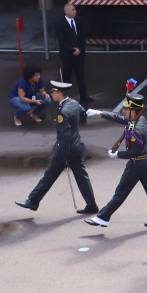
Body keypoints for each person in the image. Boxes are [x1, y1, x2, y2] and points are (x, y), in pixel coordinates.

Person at [83, 88, 147, 228]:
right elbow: (120, 119)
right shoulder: (139, 119)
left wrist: (117, 155)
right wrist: (100, 113)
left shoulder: (136, 131)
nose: (124, 111)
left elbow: (134, 152)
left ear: (133, 111)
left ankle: (103, 217)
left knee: (121, 192)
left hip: (137, 163)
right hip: (145, 161)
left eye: (126, 109)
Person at [15, 80, 98, 214]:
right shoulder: (74, 103)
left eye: (53, 92)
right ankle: (92, 205)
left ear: (60, 94)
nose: (51, 94)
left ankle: (33, 201)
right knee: (82, 178)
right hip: (77, 147)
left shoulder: (62, 112)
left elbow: (64, 137)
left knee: (48, 177)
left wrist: (64, 157)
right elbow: (82, 114)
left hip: (64, 151)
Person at [55, 2, 92, 102]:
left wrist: (80, 49)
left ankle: (83, 95)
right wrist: (72, 50)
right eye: (73, 10)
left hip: (79, 55)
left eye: (75, 9)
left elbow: (82, 37)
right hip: (68, 56)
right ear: (67, 12)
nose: (75, 11)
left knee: (80, 76)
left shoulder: (78, 22)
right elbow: (62, 41)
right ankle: (64, 97)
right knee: (67, 77)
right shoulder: (61, 24)